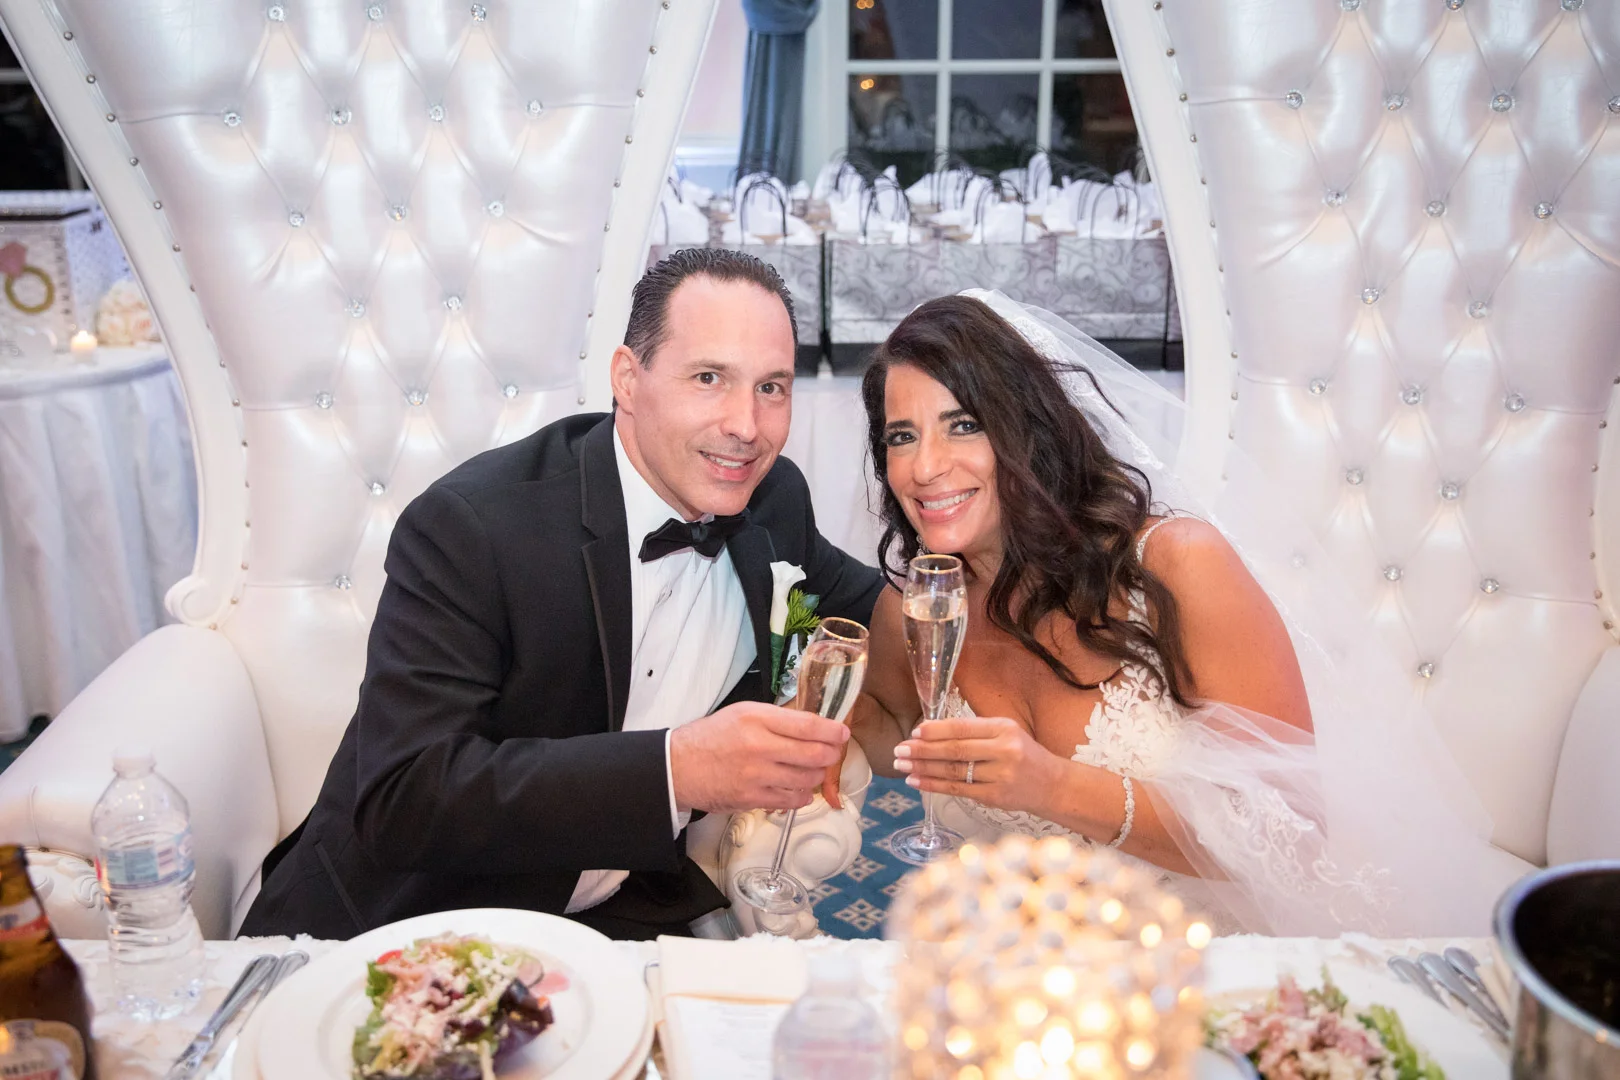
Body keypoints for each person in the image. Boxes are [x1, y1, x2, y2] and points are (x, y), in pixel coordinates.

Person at [241, 249, 882, 941]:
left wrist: (953, 540)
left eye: (772, 387)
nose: (747, 425)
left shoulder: (773, 500)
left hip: (617, 921)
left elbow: (879, 614)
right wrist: (679, 771)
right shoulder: (473, 528)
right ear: (627, 379)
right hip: (408, 924)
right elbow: (406, 797)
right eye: (709, 378)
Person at [842, 291, 1523, 936]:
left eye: (963, 425)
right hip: (1032, 963)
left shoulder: (1176, 565)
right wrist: (817, 712)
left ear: (1027, 430)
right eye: (902, 436)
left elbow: (1292, 830)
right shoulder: (921, 610)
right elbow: (890, 728)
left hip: (1204, 956)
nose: (925, 467)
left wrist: (1052, 785)